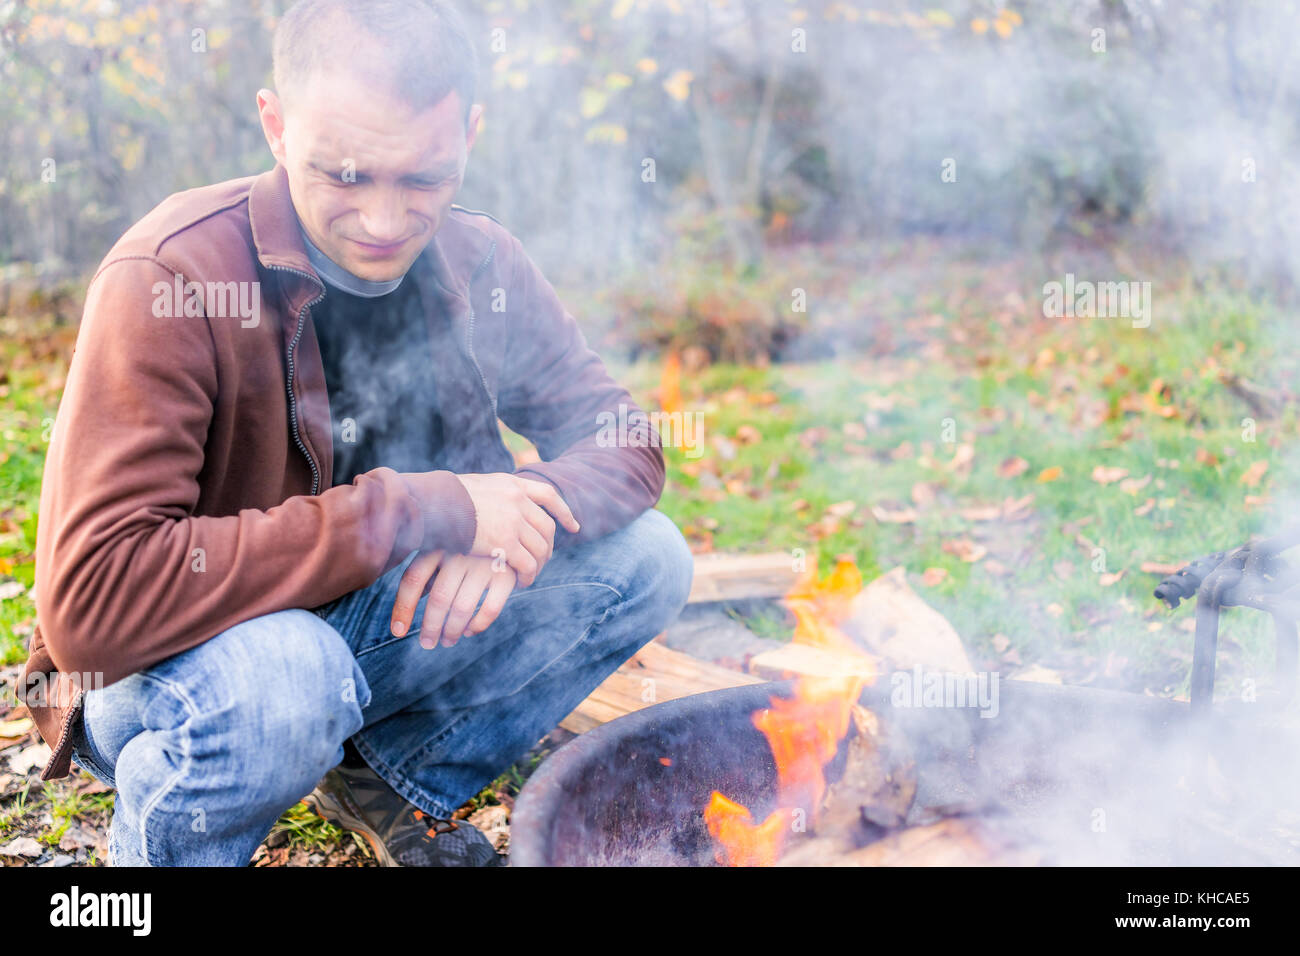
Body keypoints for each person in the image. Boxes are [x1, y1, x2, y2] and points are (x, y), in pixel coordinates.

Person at [20, 0, 693, 867]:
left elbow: (621, 437)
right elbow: (94, 607)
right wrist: (426, 510)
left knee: (645, 559)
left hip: (362, 631)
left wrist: (518, 519)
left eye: (423, 180)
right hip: (168, 667)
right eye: (344, 175)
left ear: (470, 134)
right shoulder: (173, 274)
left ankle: (383, 774)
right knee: (286, 675)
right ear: (274, 124)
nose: (384, 221)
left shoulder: (481, 262)